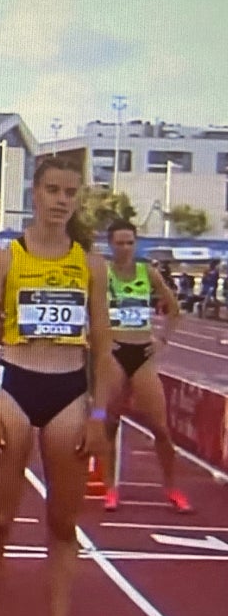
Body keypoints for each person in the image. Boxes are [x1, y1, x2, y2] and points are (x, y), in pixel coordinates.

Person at [0, 156, 115, 616]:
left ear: (78, 199)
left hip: (69, 391)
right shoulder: (5, 258)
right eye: (52, 189)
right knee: (1, 518)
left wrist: (98, 414)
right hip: (16, 384)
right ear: (34, 192)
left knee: (62, 521)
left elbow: (102, 344)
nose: (61, 200)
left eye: (70, 193)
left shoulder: (91, 265)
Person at [102, 220, 189, 513]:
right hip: (114, 353)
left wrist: (163, 339)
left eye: (130, 242)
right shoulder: (102, 273)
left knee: (160, 428)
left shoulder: (147, 272)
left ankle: (172, 488)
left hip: (142, 353)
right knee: (109, 422)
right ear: (110, 244)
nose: (125, 248)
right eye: (120, 243)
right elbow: (88, 309)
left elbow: (174, 309)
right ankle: (110, 488)